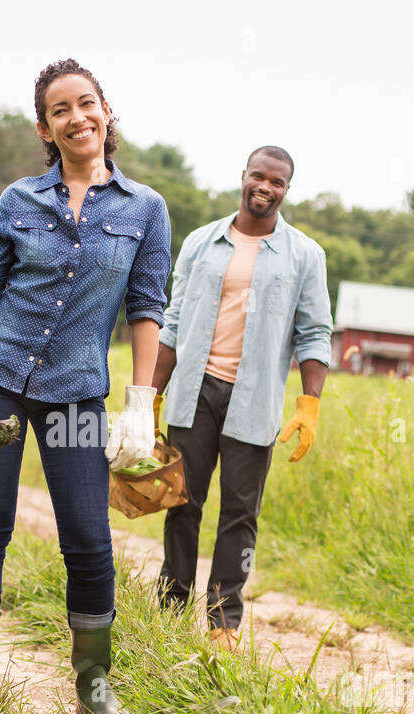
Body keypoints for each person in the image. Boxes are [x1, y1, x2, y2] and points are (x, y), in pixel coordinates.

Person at [0, 59, 171, 714]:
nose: (76, 117)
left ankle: (94, 691)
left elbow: (147, 308)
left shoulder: (145, 209)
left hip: (76, 390)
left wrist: (142, 401)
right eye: (61, 110)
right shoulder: (19, 200)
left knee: (89, 537)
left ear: (106, 110)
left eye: (85, 104)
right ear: (45, 127)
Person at [151, 146, 332, 651]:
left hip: (254, 400)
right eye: (259, 176)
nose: (266, 188)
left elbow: (315, 333)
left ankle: (222, 622)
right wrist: (151, 394)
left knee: (240, 513)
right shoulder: (200, 242)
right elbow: (173, 322)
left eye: (277, 182)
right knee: (182, 503)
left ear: (286, 190)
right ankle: (170, 607)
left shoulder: (305, 256)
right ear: (244, 177)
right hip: (194, 390)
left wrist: (309, 402)